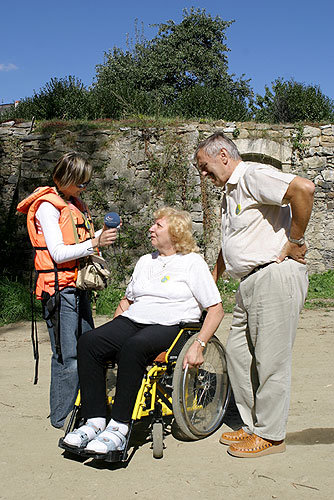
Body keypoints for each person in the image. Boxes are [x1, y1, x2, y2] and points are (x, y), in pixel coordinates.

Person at [63, 206, 224, 454]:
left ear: (176, 232)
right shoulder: (144, 261)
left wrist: (199, 344)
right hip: (133, 321)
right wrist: (112, 332)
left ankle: (119, 426)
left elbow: (215, 309)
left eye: (158, 225)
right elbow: (127, 302)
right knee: (89, 342)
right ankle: (94, 421)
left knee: (134, 347)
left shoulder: (192, 263)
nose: (151, 229)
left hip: (172, 326)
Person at [195, 132, 315, 458]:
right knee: (238, 355)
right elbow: (231, 243)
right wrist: (213, 279)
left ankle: (271, 436)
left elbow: (303, 189)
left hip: (273, 276)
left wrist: (295, 238)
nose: (203, 175)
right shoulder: (229, 193)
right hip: (248, 283)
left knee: (271, 360)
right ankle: (252, 426)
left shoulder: (252, 175)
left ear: (223, 155)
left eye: (204, 167)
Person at [17, 152, 118, 429]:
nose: (85, 188)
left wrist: (99, 238)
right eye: (81, 183)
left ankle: (87, 409)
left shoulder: (73, 204)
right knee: (67, 356)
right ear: (67, 179)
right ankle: (63, 418)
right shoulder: (47, 208)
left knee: (89, 349)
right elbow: (59, 253)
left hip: (77, 287)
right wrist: (95, 244)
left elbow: (79, 242)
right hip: (58, 291)